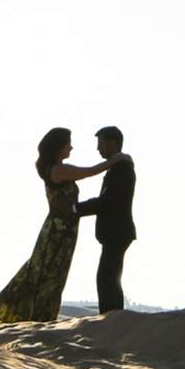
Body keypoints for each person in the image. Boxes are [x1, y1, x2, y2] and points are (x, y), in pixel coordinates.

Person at [0, 127, 115, 324]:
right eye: (68, 144)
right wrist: (115, 160)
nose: (71, 147)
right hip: (57, 231)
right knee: (47, 275)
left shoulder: (55, 167)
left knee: (52, 275)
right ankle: (35, 318)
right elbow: (88, 172)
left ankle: (39, 317)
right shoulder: (57, 170)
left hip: (65, 230)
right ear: (59, 146)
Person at [72, 126, 134, 314]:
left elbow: (107, 202)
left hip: (117, 232)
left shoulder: (121, 169)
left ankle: (112, 319)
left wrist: (76, 209)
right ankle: (113, 319)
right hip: (116, 233)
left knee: (107, 279)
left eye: (100, 144)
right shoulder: (118, 167)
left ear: (111, 143)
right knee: (110, 278)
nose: (98, 149)